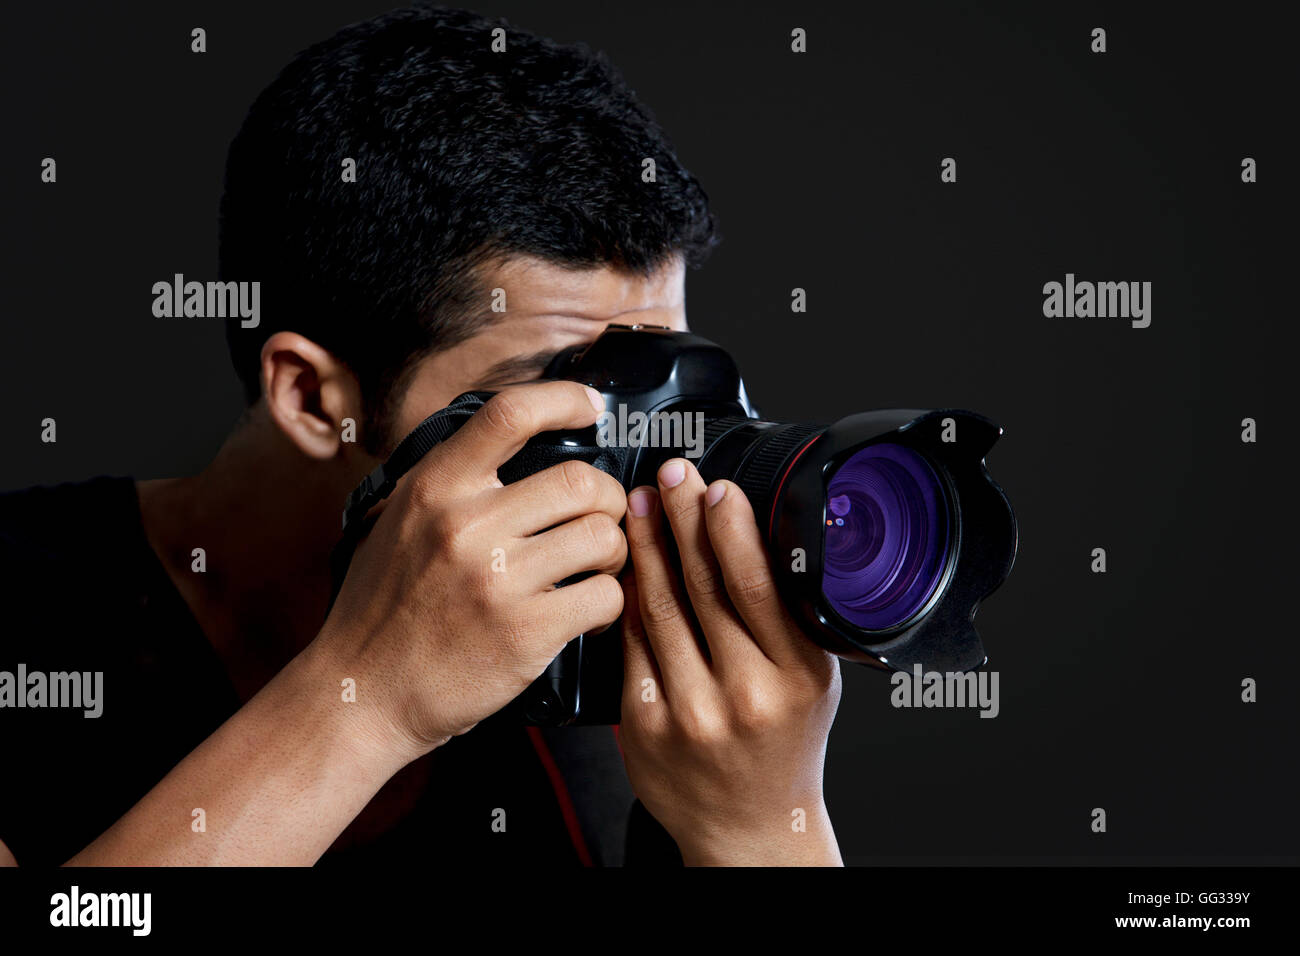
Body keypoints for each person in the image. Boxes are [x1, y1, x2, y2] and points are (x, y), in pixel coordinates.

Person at [0, 4, 842, 867]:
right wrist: (366, 700)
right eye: (563, 401)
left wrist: (765, 831)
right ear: (312, 397)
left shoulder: (631, 678)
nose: (642, 462)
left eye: (658, 382)